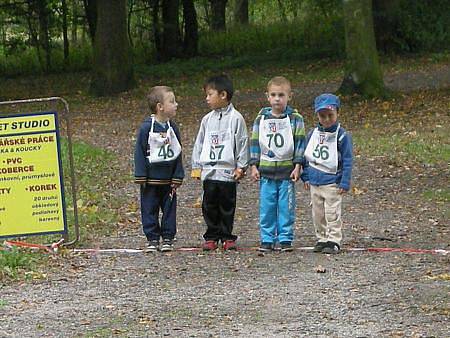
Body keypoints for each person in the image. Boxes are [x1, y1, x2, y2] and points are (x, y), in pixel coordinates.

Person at [191, 74, 249, 251]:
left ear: (223, 95)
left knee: (227, 205)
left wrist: (241, 166)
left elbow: (242, 142)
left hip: (227, 172)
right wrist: (196, 166)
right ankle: (211, 235)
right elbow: (199, 143)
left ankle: (227, 236)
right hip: (209, 171)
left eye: (210, 94)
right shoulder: (207, 120)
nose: (207, 99)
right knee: (209, 205)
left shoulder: (236, 118)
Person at [249, 76, 306, 252]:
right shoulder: (261, 119)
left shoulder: (296, 119)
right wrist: (253, 164)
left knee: (286, 207)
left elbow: (299, 142)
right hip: (266, 170)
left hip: (287, 171)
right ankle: (267, 238)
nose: (277, 99)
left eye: (281, 95)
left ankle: (285, 238)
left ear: (289, 96)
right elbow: (255, 142)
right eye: (273, 95)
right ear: (267, 96)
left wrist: (298, 164)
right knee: (267, 206)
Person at [134, 86, 184, 253]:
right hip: (150, 179)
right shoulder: (146, 128)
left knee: (169, 208)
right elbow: (139, 152)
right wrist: (141, 174)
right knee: (149, 208)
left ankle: (168, 237)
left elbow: (178, 152)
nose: (176, 104)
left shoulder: (172, 128)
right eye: (172, 101)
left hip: (168, 179)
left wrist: (178, 175)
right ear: (159, 106)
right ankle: (152, 238)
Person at [301, 93, 353, 254]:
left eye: (330, 115)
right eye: (322, 116)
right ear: (317, 115)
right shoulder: (312, 134)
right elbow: (306, 155)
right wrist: (306, 176)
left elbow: (347, 159)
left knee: (332, 212)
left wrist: (344, 181)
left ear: (337, 113)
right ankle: (322, 238)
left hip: (332, 182)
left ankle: (334, 239)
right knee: (318, 213)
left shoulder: (342, 135)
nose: (327, 119)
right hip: (315, 182)